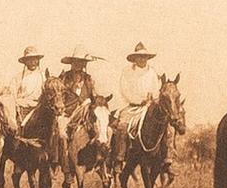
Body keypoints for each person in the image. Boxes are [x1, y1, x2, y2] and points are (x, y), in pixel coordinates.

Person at [109, 42, 161, 172]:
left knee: (164, 126)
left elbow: (156, 90)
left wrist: (151, 100)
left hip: (148, 106)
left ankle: (166, 157)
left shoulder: (152, 73)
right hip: (131, 106)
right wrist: (137, 100)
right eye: (139, 57)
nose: (142, 59)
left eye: (144, 57)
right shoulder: (127, 72)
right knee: (122, 126)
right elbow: (124, 89)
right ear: (135, 58)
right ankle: (119, 158)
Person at [9, 46, 46, 126]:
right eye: (29, 59)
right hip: (22, 108)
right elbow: (12, 94)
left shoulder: (44, 76)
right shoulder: (18, 77)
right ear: (25, 62)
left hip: (39, 108)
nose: (33, 62)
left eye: (35, 59)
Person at [59, 51, 98, 122]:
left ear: (84, 64)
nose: (78, 64)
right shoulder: (64, 78)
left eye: (81, 62)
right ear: (72, 62)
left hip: (85, 115)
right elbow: (58, 96)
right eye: (76, 61)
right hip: (67, 114)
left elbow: (94, 98)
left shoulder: (88, 79)